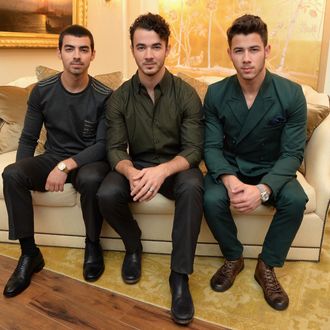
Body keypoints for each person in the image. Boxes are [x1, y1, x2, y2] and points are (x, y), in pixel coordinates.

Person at [97, 13, 203, 325]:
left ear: (167, 49)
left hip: (176, 168)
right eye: (141, 47)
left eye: (156, 47)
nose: (149, 55)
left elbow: (194, 150)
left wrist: (163, 172)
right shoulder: (119, 98)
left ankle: (179, 276)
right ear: (132, 50)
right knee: (105, 192)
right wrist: (131, 172)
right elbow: (115, 148)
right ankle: (133, 246)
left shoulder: (186, 94)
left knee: (194, 185)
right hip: (138, 166)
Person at [203, 14, 308, 311]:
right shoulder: (216, 93)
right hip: (231, 166)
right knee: (209, 197)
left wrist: (262, 189)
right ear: (230, 54)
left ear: (267, 51)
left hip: (272, 167)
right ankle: (233, 258)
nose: (246, 59)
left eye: (253, 50)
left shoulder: (290, 94)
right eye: (239, 51)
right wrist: (228, 179)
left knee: (297, 199)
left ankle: (267, 265)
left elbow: (291, 154)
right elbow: (210, 146)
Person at [2, 25, 111, 298]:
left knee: (91, 178)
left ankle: (93, 244)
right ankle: (29, 255)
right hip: (51, 155)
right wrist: (25, 174)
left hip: (89, 160)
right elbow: (28, 139)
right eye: (70, 49)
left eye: (83, 49)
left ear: (92, 55)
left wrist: (65, 166)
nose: (77, 56)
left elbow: (102, 146)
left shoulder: (104, 95)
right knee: (12, 174)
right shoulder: (42, 91)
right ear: (59, 53)